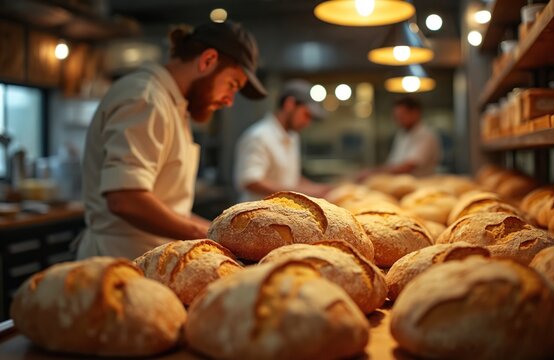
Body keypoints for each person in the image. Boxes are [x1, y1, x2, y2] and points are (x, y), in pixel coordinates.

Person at [76, 22, 266, 260]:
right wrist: (211, 236)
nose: (229, 101)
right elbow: (125, 198)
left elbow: (172, 208)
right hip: (120, 260)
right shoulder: (146, 98)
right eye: (232, 84)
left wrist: (220, 234)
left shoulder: (170, 104)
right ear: (207, 60)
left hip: (149, 258)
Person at [234, 79, 330, 202]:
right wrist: (301, 193)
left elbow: (289, 178)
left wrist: (319, 189)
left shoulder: (292, 137)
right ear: (289, 104)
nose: (307, 122)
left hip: (282, 214)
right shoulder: (259, 136)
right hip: (257, 217)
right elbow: (251, 181)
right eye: (306, 114)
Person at [357, 96, 441, 180]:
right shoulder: (402, 134)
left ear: (415, 113)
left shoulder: (426, 135)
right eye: (397, 116)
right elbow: (393, 164)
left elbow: (407, 167)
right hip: (400, 182)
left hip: (421, 185)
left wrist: (373, 173)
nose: (398, 120)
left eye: (402, 116)